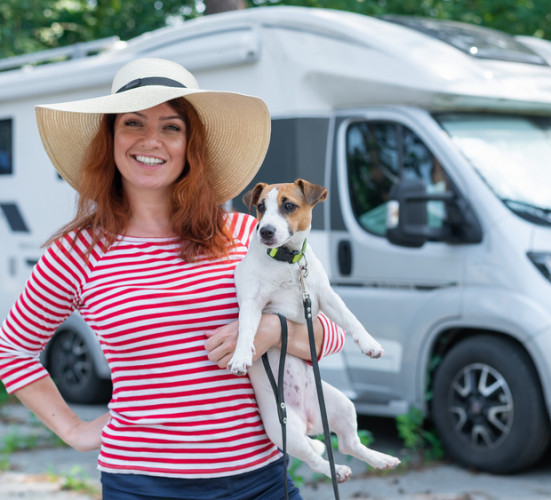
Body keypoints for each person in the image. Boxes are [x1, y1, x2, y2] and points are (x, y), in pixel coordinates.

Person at [0, 58, 346, 499]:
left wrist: (271, 330)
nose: (151, 140)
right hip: (141, 485)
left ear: (190, 145)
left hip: (260, 482)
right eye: (133, 123)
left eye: (171, 127)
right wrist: (75, 430)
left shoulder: (246, 235)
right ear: (110, 139)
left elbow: (331, 335)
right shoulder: (77, 253)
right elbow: (13, 351)